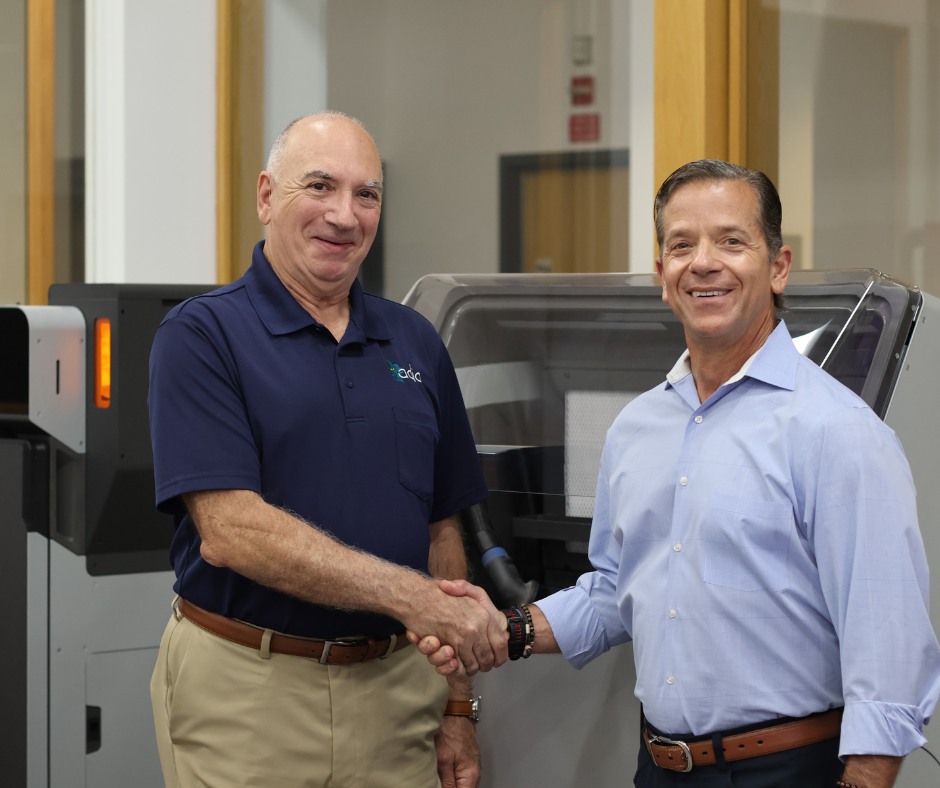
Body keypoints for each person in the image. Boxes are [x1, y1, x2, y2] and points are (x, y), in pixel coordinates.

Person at [420, 160, 940, 788]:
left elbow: (888, 647)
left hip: (790, 769)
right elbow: (615, 589)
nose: (703, 262)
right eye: (681, 244)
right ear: (663, 275)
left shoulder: (837, 430)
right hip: (661, 768)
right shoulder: (637, 427)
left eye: (731, 240)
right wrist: (508, 630)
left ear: (778, 267)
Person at [148, 112, 506, 788]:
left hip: (399, 692)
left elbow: (442, 528)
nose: (344, 215)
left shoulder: (416, 343)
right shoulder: (202, 336)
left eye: (366, 194)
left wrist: (458, 705)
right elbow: (230, 531)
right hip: (250, 692)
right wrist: (411, 597)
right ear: (265, 196)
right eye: (319, 186)